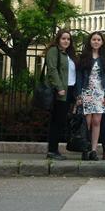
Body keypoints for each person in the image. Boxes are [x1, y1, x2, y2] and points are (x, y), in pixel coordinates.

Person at [76, 31, 105, 161]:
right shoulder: (84, 57)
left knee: (97, 122)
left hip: (99, 93)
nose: (96, 42)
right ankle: (85, 149)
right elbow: (79, 77)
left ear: (102, 42)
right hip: (86, 92)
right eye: (94, 39)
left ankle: (94, 150)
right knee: (87, 122)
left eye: (98, 40)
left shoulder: (104, 58)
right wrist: (79, 95)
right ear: (90, 42)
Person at [44, 29, 77, 160]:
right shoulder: (54, 51)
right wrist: (59, 87)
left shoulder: (68, 54)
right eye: (63, 38)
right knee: (56, 121)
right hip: (60, 91)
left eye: (68, 39)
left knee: (61, 121)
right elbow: (52, 70)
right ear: (58, 39)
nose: (66, 41)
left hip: (69, 90)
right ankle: (52, 150)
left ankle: (54, 149)